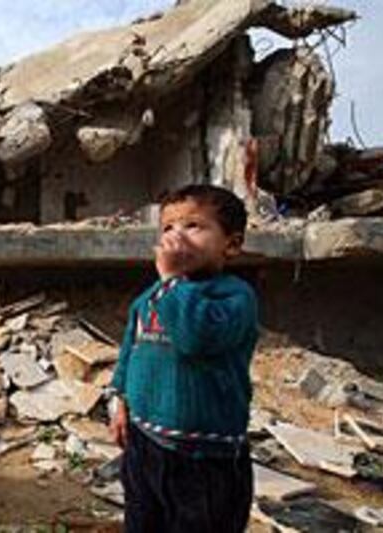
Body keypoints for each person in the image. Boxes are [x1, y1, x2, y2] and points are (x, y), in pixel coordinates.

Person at [108, 184, 258, 532]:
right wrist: (118, 399)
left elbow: (196, 337)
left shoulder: (235, 297)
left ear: (231, 244)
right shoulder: (150, 297)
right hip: (144, 444)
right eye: (168, 228)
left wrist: (173, 280)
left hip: (204, 458)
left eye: (193, 226)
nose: (177, 236)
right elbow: (130, 350)